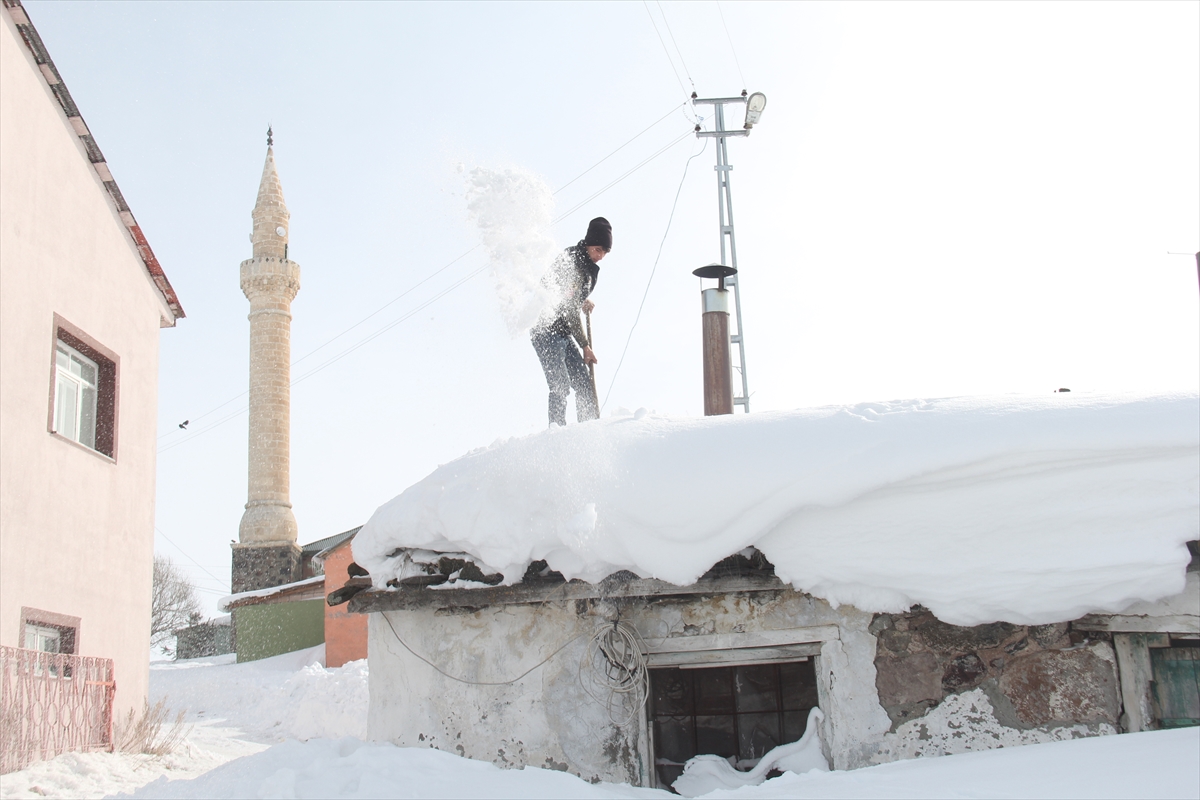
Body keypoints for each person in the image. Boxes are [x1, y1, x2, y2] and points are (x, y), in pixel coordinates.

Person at [531, 217, 611, 427]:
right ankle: (556, 432)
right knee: (560, 385)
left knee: (583, 384)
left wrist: (582, 300)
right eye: (598, 250)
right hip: (545, 329)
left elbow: (569, 296)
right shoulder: (573, 261)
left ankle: (589, 430)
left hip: (563, 332)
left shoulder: (587, 267)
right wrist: (585, 345)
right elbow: (567, 306)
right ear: (589, 244)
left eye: (605, 252)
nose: (601, 256)